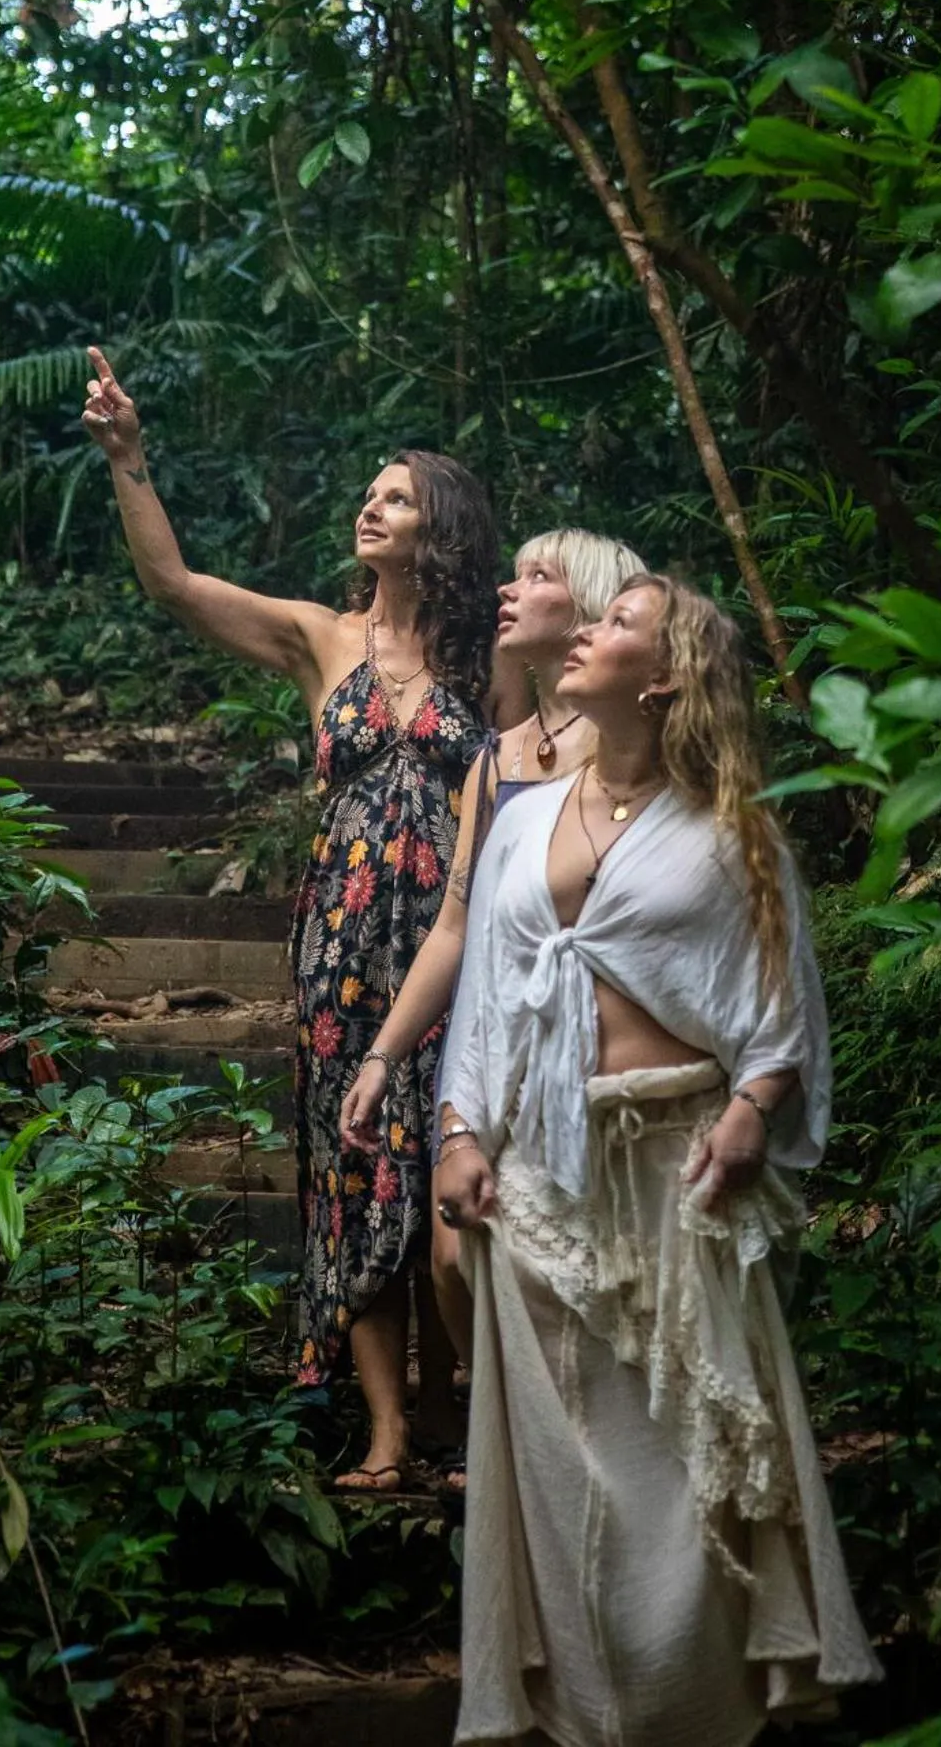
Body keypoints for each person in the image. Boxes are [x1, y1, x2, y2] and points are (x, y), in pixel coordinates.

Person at [434, 574, 883, 1745]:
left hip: (678, 1167)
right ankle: (588, 1718)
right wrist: (458, 1127)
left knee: (688, 1467)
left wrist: (756, 1103)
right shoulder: (526, 816)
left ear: (668, 673)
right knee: (561, 1468)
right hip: (537, 1176)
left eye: (618, 621)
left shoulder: (733, 826)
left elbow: (783, 1008)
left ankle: (694, 1713)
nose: (585, 630)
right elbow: (486, 992)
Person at [81, 348, 495, 1491]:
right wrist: (130, 457)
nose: (372, 502)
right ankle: (386, 1433)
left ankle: (456, 1415)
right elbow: (173, 584)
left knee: (448, 1168)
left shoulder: (488, 663)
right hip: (341, 952)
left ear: (441, 525)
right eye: (369, 488)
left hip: (464, 949)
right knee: (359, 1170)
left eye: (397, 492)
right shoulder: (321, 636)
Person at [338, 528, 646, 1483]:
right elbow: (455, 927)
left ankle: (581, 1453)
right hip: (493, 1039)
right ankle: (520, 1433)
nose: (509, 590)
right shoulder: (495, 757)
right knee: (453, 1256)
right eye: (512, 571)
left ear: (592, 605)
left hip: (602, 1045)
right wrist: (386, 1054)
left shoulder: (635, 743)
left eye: (538, 575)